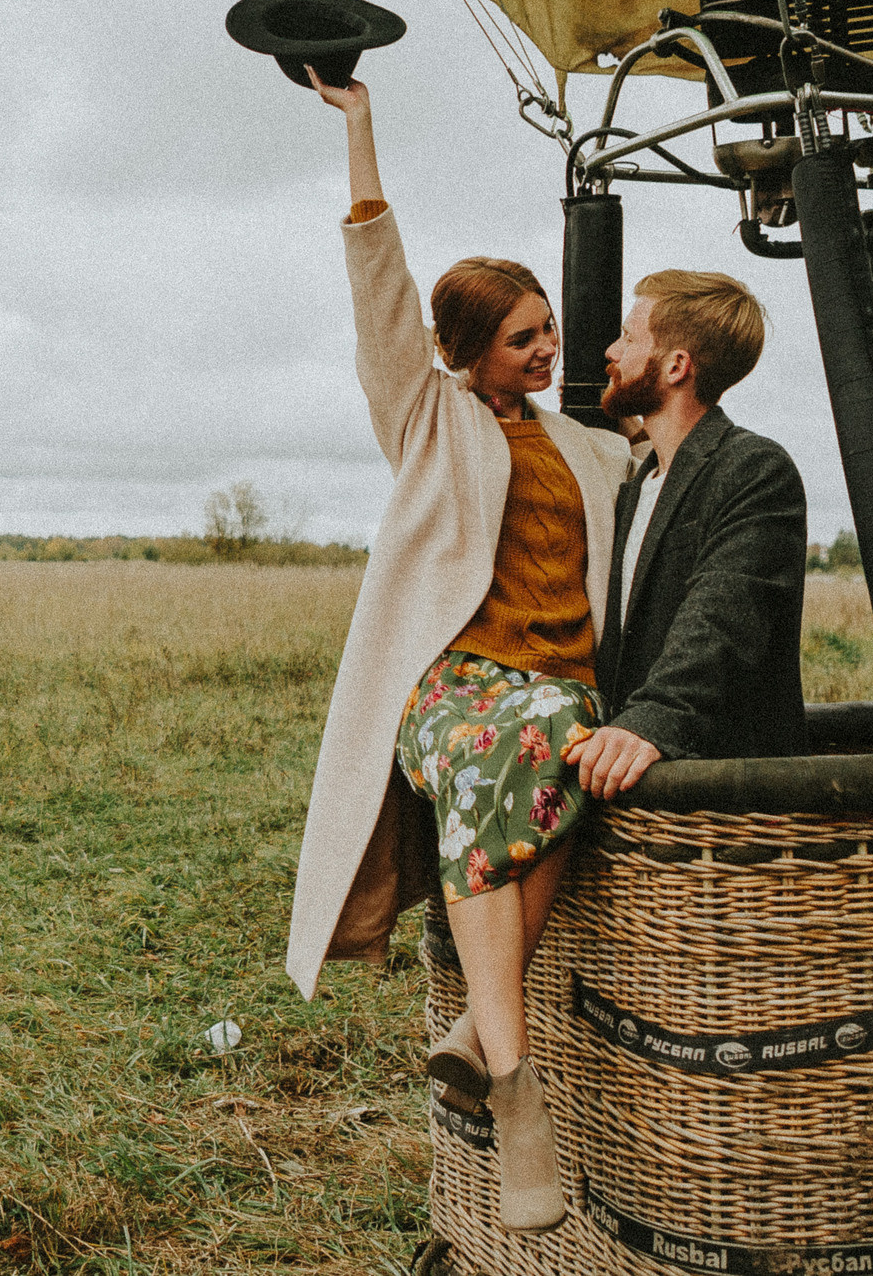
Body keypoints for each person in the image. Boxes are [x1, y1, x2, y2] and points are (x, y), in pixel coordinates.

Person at [285, 68, 632, 1234]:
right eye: (523, 338)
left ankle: (480, 1029)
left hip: (562, 689)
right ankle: (516, 1085)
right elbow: (379, 292)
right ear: (468, 351)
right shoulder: (426, 418)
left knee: (561, 746)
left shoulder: (587, 446)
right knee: (508, 751)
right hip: (458, 686)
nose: (547, 349)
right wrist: (361, 131)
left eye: (549, 331)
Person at [565, 270, 809, 801]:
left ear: (676, 366)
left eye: (628, 338)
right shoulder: (639, 484)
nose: (611, 351)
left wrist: (653, 718)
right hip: (638, 787)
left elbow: (725, 617)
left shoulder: (754, 469)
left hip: (726, 799)